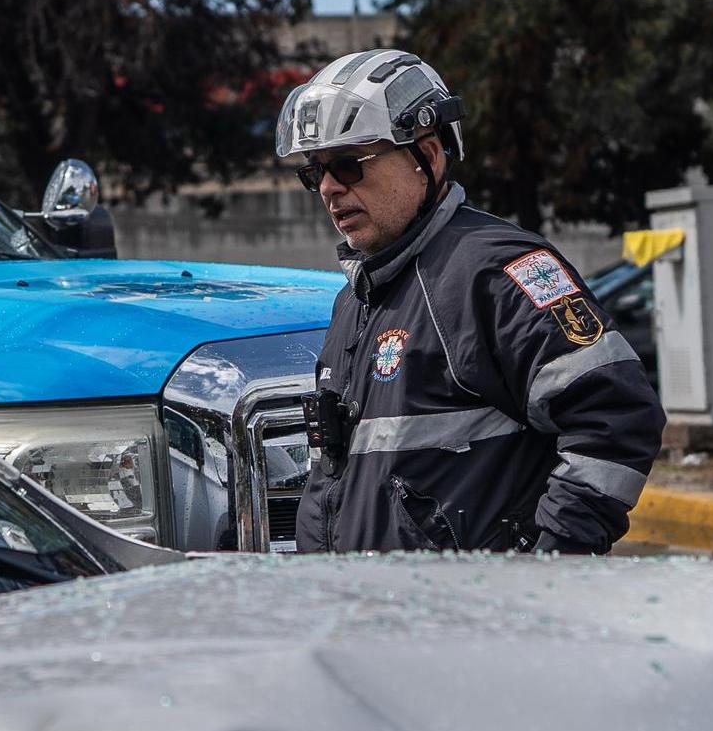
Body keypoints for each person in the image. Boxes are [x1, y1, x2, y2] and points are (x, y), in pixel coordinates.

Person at [279, 49, 664, 554]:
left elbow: (617, 415)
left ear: (429, 156)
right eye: (316, 172)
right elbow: (335, 477)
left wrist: (549, 567)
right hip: (373, 617)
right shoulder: (357, 297)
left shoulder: (496, 272)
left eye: (350, 165)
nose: (329, 188)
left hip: (474, 620)